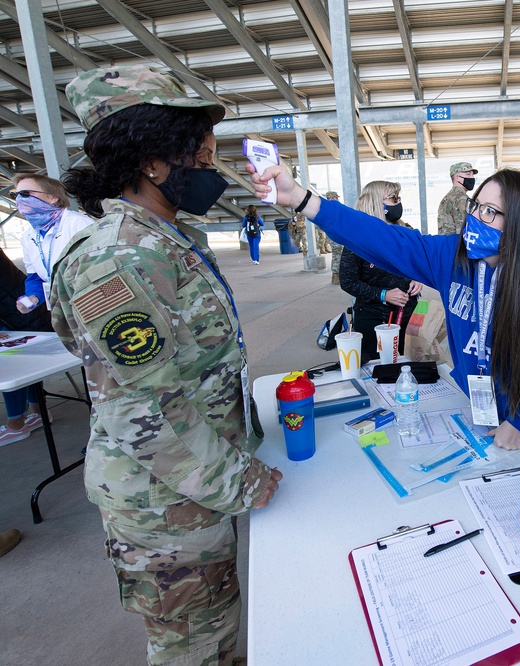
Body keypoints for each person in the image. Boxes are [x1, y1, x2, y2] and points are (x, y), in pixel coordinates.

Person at [54, 64, 282, 666]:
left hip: (194, 485)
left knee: (217, 631)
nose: (211, 173)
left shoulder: (166, 239)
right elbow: (140, 409)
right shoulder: (117, 260)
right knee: (195, 648)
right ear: (153, 162)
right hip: (165, 502)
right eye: (202, 160)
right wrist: (239, 479)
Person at [249, 164, 520, 460]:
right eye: (476, 206)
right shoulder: (452, 256)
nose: (474, 219)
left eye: (489, 211)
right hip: (481, 406)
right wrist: (301, 199)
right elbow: (381, 237)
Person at [339, 180, 422, 358]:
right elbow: (348, 282)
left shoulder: (406, 231)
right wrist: (383, 294)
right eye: (393, 198)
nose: (398, 203)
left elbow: (418, 261)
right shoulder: (357, 239)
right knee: (375, 370)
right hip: (372, 318)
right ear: (376, 202)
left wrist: (418, 278)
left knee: (407, 365)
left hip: (407, 314)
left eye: (398, 198)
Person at [12, 173, 94, 315]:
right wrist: (33, 297)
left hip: (90, 303)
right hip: (60, 308)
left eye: (26, 193)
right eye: (15, 195)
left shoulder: (79, 224)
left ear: (53, 198)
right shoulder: (28, 236)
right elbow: (35, 277)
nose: (19, 199)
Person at [0, 248, 51, 446]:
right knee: (25, 361)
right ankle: (39, 412)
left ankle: (17, 424)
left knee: (12, 363)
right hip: (19, 309)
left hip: (17, 311)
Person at [437, 162, 477, 235]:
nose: (472, 178)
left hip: (447, 244)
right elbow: (463, 231)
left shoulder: (448, 197)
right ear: (457, 178)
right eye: (468, 174)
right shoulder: (461, 199)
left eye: (472, 175)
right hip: (456, 244)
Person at [324, 191, 345, 284]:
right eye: (336, 197)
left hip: (333, 234)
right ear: (332, 198)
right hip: (334, 235)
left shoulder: (325, 208)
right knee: (337, 254)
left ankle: (335, 276)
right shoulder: (331, 208)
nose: (337, 199)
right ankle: (336, 276)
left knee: (337, 254)